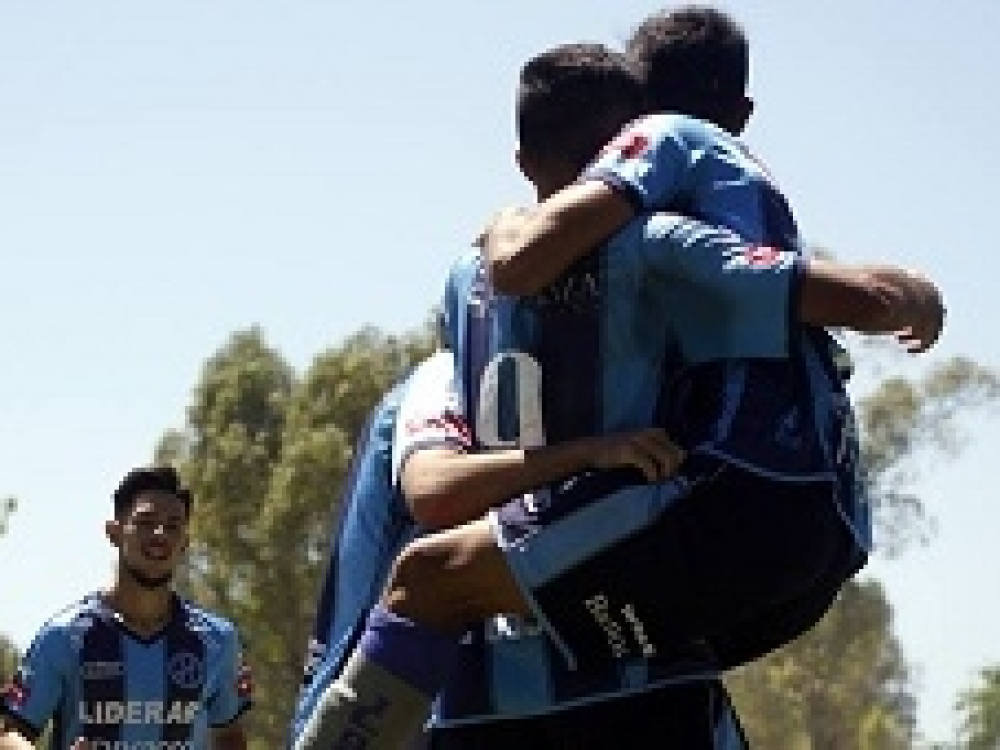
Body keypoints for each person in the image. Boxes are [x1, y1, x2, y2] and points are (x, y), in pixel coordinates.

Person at [292, 36, 944, 750]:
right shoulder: (651, 242)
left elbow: (433, 492)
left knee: (427, 578)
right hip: (645, 660)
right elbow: (799, 290)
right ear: (625, 146)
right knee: (436, 577)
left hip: (495, 682)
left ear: (523, 162)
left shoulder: (462, 287)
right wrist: (902, 291)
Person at [0, 467, 251, 750]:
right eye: (146, 523)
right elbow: (9, 735)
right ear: (114, 533)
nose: (160, 534)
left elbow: (229, 736)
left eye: (173, 526)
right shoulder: (63, 637)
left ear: (184, 542)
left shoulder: (218, 640)